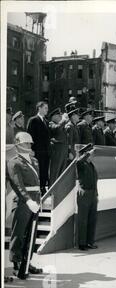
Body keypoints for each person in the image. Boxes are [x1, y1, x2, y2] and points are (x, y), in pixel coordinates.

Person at [7, 132, 43, 279]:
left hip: (35, 200)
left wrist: (38, 200)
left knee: (31, 234)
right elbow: (17, 184)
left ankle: (27, 262)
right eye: (25, 143)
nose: (29, 145)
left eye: (29, 143)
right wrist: (28, 201)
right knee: (19, 233)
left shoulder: (34, 161)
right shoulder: (14, 162)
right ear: (18, 145)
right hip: (23, 201)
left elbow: (37, 183)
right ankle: (16, 264)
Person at [76, 143, 99, 250]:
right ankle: (82, 243)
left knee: (92, 220)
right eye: (91, 153)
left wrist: (96, 195)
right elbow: (78, 161)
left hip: (93, 194)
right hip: (84, 194)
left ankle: (90, 242)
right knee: (83, 220)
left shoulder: (91, 165)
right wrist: (86, 154)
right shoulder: (82, 164)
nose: (93, 155)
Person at [27, 101, 51, 195]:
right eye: (45, 108)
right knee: (38, 170)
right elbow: (29, 135)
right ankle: (38, 189)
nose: (47, 110)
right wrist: (30, 149)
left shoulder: (46, 121)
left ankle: (42, 187)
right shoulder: (33, 120)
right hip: (37, 151)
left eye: (47, 108)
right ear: (39, 108)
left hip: (45, 152)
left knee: (44, 170)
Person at [48, 108, 69, 185]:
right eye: (59, 115)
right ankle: (52, 190)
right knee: (55, 171)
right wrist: (64, 120)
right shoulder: (51, 123)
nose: (60, 116)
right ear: (53, 116)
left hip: (63, 149)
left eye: (61, 115)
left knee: (62, 171)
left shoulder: (62, 125)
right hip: (57, 150)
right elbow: (56, 129)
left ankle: (59, 189)